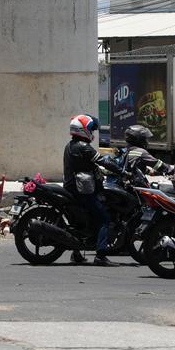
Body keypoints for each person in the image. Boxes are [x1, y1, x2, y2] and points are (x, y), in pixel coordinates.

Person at [64, 114, 122, 266]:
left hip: (72, 188)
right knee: (104, 218)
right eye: (91, 129)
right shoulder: (84, 147)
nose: (92, 133)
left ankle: (76, 253)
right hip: (82, 191)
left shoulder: (70, 145)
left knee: (82, 219)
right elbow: (102, 161)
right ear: (83, 129)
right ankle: (100, 256)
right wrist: (122, 171)